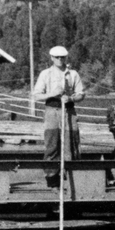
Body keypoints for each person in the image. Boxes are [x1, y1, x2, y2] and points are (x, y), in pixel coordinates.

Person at [33, 45, 85, 188]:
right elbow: (36, 95)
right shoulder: (45, 74)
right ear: (51, 58)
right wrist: (52, 94)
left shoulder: (73, 74)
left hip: (69, 111)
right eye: (57, 57)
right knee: (52, 144)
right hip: (51, 111)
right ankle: (52, 180)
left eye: (62, 57)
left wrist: (71, 99)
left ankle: (71, 179)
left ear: (66, 58)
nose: (60, 60)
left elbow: (81, 94)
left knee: (72, 144)